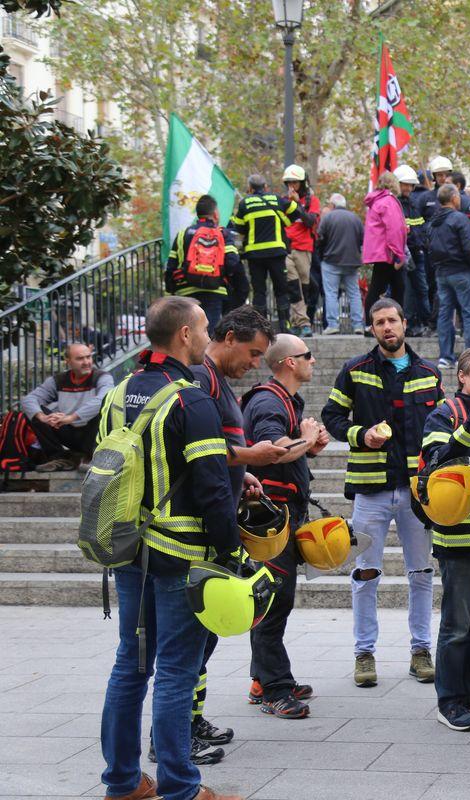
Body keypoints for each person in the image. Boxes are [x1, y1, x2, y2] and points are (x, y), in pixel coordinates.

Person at [97, 296, 243, 800]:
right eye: (204, 328)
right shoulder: (190, 399)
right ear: (184, 334)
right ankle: (182, 789)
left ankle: (122, 782)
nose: (208, 336)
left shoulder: (117, 394)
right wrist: (231, 553)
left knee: (130, 665)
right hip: (179, 558)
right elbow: (213, 488)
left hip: (128, 551)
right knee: (178, 670)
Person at [321, 297, 443, 688]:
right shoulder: (355, 370)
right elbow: (332, 417)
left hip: (416, 493)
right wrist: (361, 434)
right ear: (371, 329)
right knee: (365, 573)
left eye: (392, 320)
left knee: (421, 573)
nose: (387, 327)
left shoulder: (428, 372)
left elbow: (441, 423)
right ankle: (364, 654)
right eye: (379, 322)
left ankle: (421, 651)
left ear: (405, 323)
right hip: (370, 490)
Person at [186, 306, 284, 762]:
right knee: (187, 644)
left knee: (202, 640)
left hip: (220, 516)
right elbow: (193, 450)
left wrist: (241, 471)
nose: (254, 363)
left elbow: (218, 452)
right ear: (226, 338)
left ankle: (193, 718)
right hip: (199, 531)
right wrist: (250, 456)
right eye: (252, 353)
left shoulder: (217, 381)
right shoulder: (198, 379)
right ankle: (175, 732)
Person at [243, 333, 329, 719]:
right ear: (289, 362)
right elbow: (272, 451)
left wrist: (307, 445)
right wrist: (304, 438)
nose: (313, 361)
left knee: (275, 598)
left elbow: (286, 447)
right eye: (307, 356)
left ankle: (266, 678)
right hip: (270, 517)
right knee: (274, 601)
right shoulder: (267, 400)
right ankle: (273, 690)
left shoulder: (283, 400)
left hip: (283, 512)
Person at [419, 347, 470, 732]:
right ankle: (449, 699)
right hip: (459, 538)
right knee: (458, 624)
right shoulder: (445, 413)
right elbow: (437, 457)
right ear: (462, 378)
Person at [22, 343, 113, 471]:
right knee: (32, 411)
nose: (86, 362)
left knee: (102, 408)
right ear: (68, 361)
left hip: (91, 434)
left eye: (88, 357)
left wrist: (71, 417)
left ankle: (91, 457)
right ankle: (59, 458)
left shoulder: (102, 377)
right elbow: (29, 400)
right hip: (68, 430)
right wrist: (43, 417)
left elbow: (104, 399)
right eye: (80, 358)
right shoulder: (58, 380)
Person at [230, 174, 303, 333]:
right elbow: (296, 211)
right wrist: (293, 203)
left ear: (249, 188)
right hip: (276, 253)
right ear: (265, 187)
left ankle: (260, 328)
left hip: (255, 255)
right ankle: (285, 326)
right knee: (281, 290)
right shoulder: (276, 199)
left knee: (259, 291)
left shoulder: (245, 203)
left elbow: (239, 228)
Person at [164, 195, 244, 335]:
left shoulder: (183, 234)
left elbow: (171, 265)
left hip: (186, 292)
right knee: (208, 333)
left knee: (188, 334)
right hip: (214, 290)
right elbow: (232, 262)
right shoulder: (222, 234)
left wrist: (170, 291)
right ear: (215, 214)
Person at [428, 183, 470, 368]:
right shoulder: (459, 219)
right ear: (453, 198)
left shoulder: (433, 222)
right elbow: (469, 247)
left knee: (445, 314)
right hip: (462, 271)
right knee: (469, 313)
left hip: (442, 273)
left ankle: (445, 356)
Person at [316, 193, 365, 335]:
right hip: (352, 262)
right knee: (354, 293)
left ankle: (333, 325)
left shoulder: (328, 218)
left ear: (332, 205)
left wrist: (323, 254)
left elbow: (320, 239)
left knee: (331, 293)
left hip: (331, 261)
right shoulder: (355, 218)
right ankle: (357, 325)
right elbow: (362, 240)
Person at [281, 165, 321, 336]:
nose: (292, 186)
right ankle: (304, 323)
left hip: (304, 248)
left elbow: (310, 221)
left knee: (304, 286)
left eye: (295, 182)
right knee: (293, 286)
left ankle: (297, 322)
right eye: (289, 182)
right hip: (287, 248)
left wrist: (297, 203)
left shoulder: (312, 201)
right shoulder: (283, 201)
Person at [362, 171, 409, 317]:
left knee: (389, 287)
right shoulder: (389, 201)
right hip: (387, 253)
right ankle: (378, 323)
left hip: (379, 251)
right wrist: (399, 255)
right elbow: (394, 229)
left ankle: (384, 321)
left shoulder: (376, 202)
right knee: (392, 288)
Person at [396, 165, 433, 338]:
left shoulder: (412, 203)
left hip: (417, 252)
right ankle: (408, 322)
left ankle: (425, 322)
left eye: (410, 185)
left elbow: (419, 226)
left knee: (421, 289)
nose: (408, 189)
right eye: (405, 185)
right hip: (403, 254)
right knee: (406, 291)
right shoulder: (395, 204)